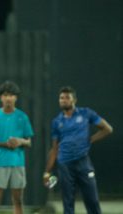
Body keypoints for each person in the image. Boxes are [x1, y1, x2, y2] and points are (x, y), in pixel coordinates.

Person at [43, 86, 113, 214]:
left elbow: (107, 129)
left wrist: (90, 139)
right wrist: (47, 173)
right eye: (61, 98)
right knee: (67, 202)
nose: (64, 100)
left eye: (67, 98)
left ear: (74, 100)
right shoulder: (57, 121)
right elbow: (54, 148)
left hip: (83, 162)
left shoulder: (86, 113)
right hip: (65, 165)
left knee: (92, 200)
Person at [0, 81, 34, 214]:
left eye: (11, 95)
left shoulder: (22, 117)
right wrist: (4, 144)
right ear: (1, 97)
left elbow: (29, 142)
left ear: (16, 97)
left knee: (18, 200)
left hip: (18, 162)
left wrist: (19, 141)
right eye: (5, 95)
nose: (8, 98)